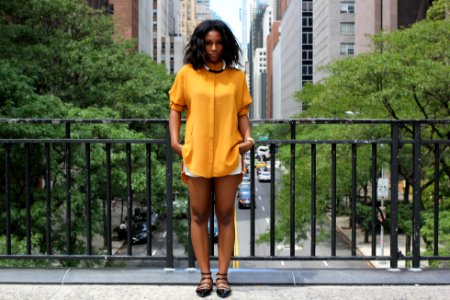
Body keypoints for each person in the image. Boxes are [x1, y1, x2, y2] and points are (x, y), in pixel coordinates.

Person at [168, 19, 254, 298]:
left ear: (225, 44)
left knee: (226, 215)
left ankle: (223, 277)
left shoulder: (237, 78)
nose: (214, 48)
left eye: (218, 43)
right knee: (198, 215)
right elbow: (175, 108)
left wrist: (248, 138)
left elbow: (242, 115)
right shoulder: (187, 74)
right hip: (197, 155)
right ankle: (204, 276)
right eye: (208, 43)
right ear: (200, 45)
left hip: (229, 154)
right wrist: (175, 142)